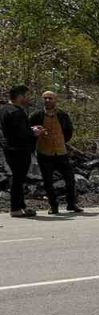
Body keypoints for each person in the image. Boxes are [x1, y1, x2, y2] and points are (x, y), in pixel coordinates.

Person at [29, 90, 81, 214]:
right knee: (48, 181)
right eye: (45, 98)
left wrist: (61, 141)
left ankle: (71, 203)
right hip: (44, 153)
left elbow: (68, 132)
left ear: (55, 100)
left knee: (70, 179)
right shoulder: (36, 116)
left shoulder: (62, 115)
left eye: (50, 98)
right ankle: (53, 206)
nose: (47, 100)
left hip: (61, 152)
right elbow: (29, 131)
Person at [1, 86, 37, 218]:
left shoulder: (4, 109)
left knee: (17, 178)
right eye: (26, 95)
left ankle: (21, 206)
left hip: (9, 148)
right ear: (20, 97)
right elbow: (21, 134)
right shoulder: (17, 112)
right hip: (19, 150)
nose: (28, 98)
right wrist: (34, 133)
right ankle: (15, 208)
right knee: (18, 179)